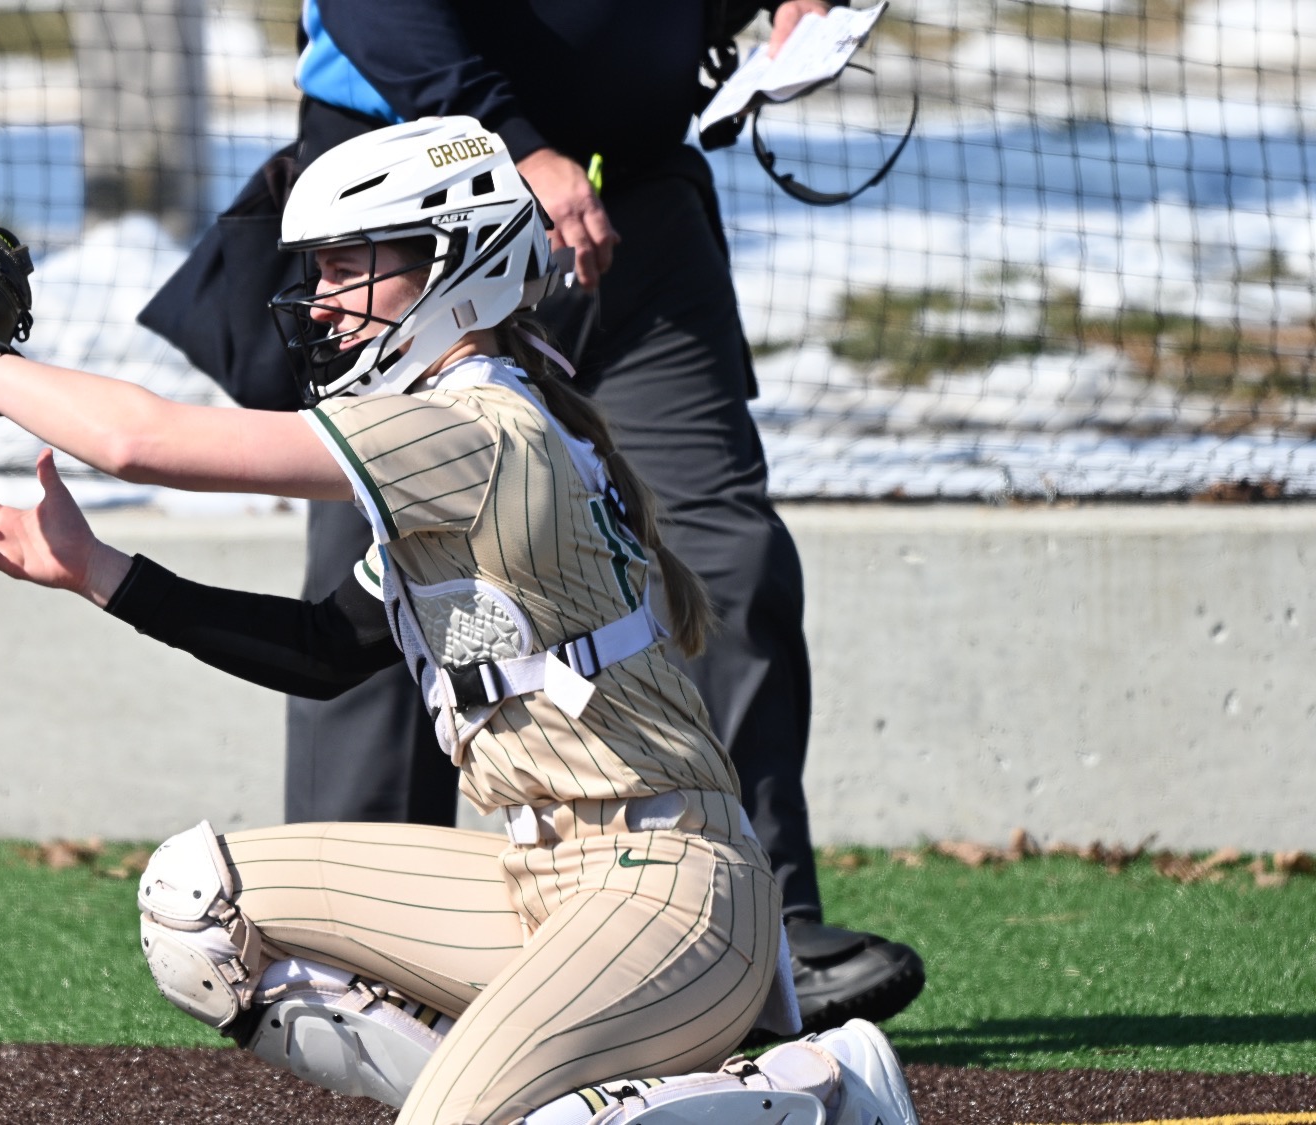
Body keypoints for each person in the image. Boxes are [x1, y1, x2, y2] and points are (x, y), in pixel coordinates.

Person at [0, 118, 916, 1125]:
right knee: (195, 903)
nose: (324, 300)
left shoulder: (471, 424)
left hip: (672, 895)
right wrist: (94, 570)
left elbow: (137, 441)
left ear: (454, 263)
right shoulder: (475, 422)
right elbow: (323, 652)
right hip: (543, 876)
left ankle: (817, 1099)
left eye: (352, 265)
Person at [134, 0, 925, 1036]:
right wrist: (518, 144)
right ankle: (366, 963)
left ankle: (759, 934)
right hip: (405, 204)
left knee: (718, 552)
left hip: (628, 193)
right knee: (391, 591)